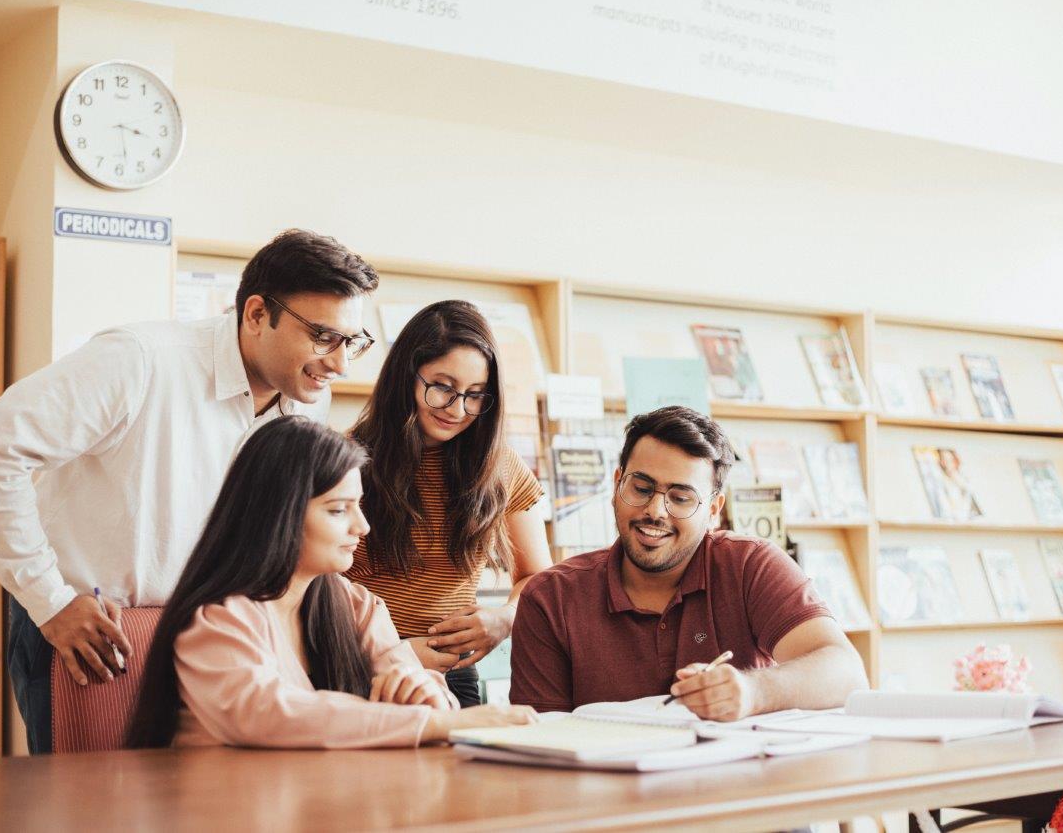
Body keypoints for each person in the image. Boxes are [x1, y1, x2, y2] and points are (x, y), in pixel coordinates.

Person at [0, 229, 379, 754]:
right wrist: (51, 601)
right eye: (323, 336)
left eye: (352, 342)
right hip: (95, 635)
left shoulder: (305, 396)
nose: (338, 364)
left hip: (224, 642)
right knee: (88, 813)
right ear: (255, 314)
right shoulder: (140, 359)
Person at [125, 416, 535, 748]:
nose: (363, 526)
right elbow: (271, 714)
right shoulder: (216, 620)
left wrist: (424, 695)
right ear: (279, 514)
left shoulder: (356, 604)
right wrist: (434, 725)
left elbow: (422, 687)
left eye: (359, 506)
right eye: (339, 510)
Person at [509, 405, 869, 719]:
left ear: (713, 511)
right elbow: (540, 743)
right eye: (641, 488)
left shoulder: (750, 565)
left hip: (740, 790)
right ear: (617, 485)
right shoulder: (550, 597)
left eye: (680, 498)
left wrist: (752, 692)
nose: (655, 511)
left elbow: (846, 673)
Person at [348, 300, 553, 707]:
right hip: (361, 666)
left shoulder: (500, 467)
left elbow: (538, 578)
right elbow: (312, 590)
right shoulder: (345, 460)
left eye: (476, 395)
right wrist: (395, 654)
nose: (458, 410)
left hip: (452, 673)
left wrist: (505, 620)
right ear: (406, 375)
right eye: (442, 387)